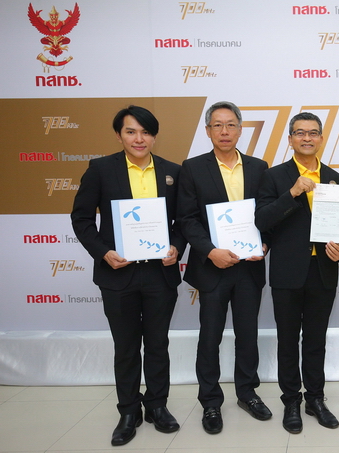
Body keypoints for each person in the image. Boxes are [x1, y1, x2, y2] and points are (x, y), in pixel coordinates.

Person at [71, 106, 185, 446]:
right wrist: (103, 252)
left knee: (158, 344)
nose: (139, 139)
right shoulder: (101, 169)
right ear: (119, 135)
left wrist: (177, 247)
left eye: (146, 132)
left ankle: (157, 406)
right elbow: (81, 219)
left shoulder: (172, 172)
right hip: (118, 274)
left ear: (154, 136)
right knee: (126, 346)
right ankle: (128, 411)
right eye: (131, 131)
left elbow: (183, 222)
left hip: (159, 274)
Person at [177, 101, 271, 435]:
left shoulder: (259, 167)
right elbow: (187, 218)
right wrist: (210, 251)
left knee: (247, 335)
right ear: (208, 131)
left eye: (231, 125)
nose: (224, 131)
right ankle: (210, 401)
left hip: (249, 267)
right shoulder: (192, 168)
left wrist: (264, 244)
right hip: (212, 267)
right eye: (217, 125)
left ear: (240, 129)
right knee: (210, 336)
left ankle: (247, 393)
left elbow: (267, 215)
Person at [255, 112, 339, 434]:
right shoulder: (274, 176)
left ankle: (316, 399)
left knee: (316, 340)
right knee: (287, 340)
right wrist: (292, 193)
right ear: (290, 139)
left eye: (313, 133)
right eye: (300, 133)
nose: (307, 138)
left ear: (321, 138)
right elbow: (262, 220)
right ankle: (291, 401)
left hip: (323, 271)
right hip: (287, 272)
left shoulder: (335, 177)